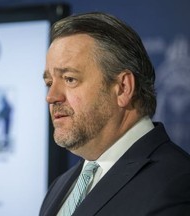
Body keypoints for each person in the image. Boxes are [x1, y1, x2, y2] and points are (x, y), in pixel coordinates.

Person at [40, 12, 190, 216]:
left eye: (69, 79)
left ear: (122, 88)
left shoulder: (177, 185)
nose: (51, 96)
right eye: (49, 83)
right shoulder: (60, 186)